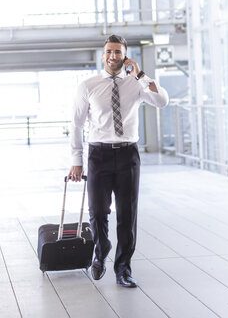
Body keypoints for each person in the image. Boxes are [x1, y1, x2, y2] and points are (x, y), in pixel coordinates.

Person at [68, 34, 169, 288]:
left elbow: (162, 101)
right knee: (98, 213)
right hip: (98, 155)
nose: (113, 56)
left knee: (127, 214)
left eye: (118, 52)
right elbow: (77, 124)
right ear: (103, 55)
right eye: (109, 51)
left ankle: (123, 269)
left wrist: (142, 75)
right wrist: (76, 160)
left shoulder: (136, 84)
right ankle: (101, 250)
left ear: (125, 56)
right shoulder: (88, 85)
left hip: (128, 155)